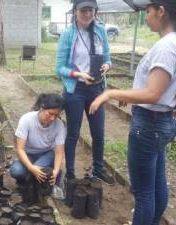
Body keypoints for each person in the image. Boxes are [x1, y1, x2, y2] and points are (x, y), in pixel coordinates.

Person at [89, 0, 176, 224]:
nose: (145, 17)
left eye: (147, 12)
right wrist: (131, 94)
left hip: (149, 125)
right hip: (161, 122)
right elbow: (154, 89)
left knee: (144, 194)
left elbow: (153, 94)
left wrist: (110, 94)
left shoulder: (166, 47)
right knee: (156, 184)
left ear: (161, 12)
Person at [56, 0, 114, 185]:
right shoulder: (68, 34)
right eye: (83, 10)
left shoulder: (101, 31)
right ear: (75, 11)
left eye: (90, 10)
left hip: (96, 88)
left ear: (95, 11)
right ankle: (71, 174)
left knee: (98, 132)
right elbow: (59, 68)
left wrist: (107, 66)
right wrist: (78, 74)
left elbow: (107, 58)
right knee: (73, 132)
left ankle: (98, 168)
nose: (87, 14)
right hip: (76, 90)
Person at [10, 93, 65, 186]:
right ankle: (33, 173)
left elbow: (59, 152)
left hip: (47, 155)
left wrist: (55, 171)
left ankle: (34, 177)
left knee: (39, 171)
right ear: (42, 108)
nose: (52, 118)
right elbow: (20, 149)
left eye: (56, 115)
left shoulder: (59, 125)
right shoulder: (27, 119)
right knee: (17, 171)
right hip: (28, 154)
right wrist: (31, 167)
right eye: (50, 113)